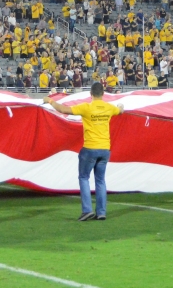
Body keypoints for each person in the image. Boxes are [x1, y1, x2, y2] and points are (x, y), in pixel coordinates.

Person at [44, 82, 124, 220]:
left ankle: (87, 210)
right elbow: (120, 110)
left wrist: (50, 100)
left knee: (84, 178)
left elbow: (63, 109)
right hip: (105, 149)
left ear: (90, 94)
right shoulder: (109, 108)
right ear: (103, 94)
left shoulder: (87, 107)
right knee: (100, 180)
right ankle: (101, 212)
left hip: (90, 148)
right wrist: (121, 106)